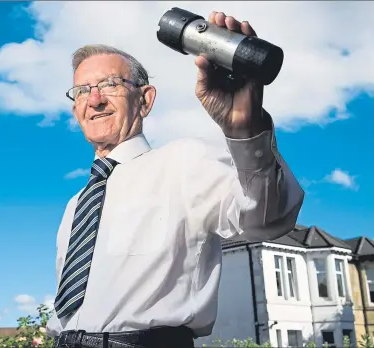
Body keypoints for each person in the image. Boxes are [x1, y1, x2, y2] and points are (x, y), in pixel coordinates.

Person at [46, 11, 304, 348]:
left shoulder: (184, 162)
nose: (94, 99)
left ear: (145, 99)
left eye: (110, 84)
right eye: (82, 90)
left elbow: (267, 218)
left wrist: (245, 128)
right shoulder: (75, 205)